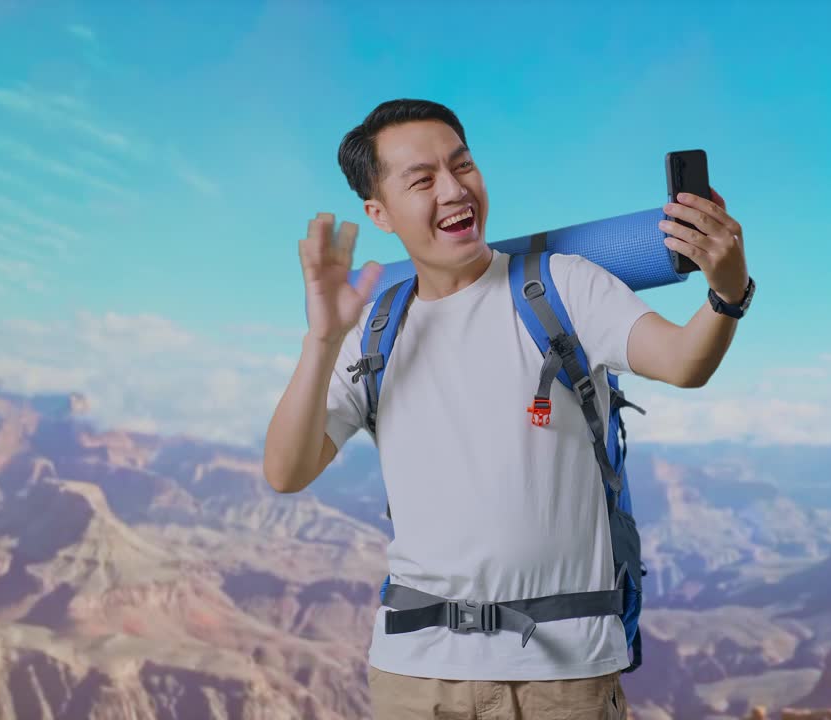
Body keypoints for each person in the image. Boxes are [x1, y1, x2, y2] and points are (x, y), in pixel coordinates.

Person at [264, 98, 751, 719]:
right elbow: (286, 471)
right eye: (422, 180)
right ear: (379, 212)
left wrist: (727, 292)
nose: (454, 189)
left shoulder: (564, 286)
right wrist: (322, 342)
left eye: (462, 165)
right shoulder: (372, 329)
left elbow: (684, 361)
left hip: (562, 680)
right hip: (415, 679)